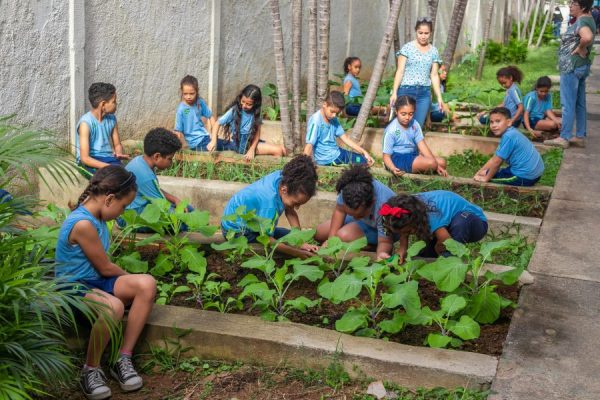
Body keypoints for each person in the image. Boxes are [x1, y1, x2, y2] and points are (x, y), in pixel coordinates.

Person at [55, 165, 156, 400]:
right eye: (123, 207)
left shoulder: (97, 216)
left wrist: (134, 283)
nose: (123, 212)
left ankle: (123, 359)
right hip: (72, 288)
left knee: (147, 284)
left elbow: (103, 271)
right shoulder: (83, 224)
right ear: (110, 199)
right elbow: (106, 267)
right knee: (114, 306)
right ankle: (91, 370)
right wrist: (127, 278)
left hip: (96, 283)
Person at [221, 154, 319, 258]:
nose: (297, 207)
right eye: (295, 203)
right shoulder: (269, 204)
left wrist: (300, 242)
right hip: (235, 230)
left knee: (287, 234)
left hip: (252, 223)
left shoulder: (284, 178)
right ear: (284, 190)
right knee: (277, 240)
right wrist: (295, 252)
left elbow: (290, 211)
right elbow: (267, 240)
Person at [314, 165, 396, 261]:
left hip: (385, 230)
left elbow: (385, 241)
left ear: (372, 203)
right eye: (352, 214)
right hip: (366, 221)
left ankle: (372, 247)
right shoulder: (349, 188)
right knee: (319, 233)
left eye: (359, 215)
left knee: (342, 236)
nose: (356, 218)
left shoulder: (384, 207)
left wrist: (382, 254)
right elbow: (339, 211)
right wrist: (331, 240)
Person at [379, 191, 487, 261]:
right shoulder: (408, 209)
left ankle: (451, 261)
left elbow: (446, 239)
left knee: (460, 224)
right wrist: (402, 249)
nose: (408, 233)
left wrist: (439, 245)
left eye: (409, 230)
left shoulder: (430, 214)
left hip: (475, 223)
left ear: (415, 220)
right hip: (446, 223)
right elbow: (404, 231)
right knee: (426, 255)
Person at [545, 0, 596, 149]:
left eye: (574, 3)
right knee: (579, 103)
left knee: (567, 104)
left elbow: (586, 37)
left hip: (571, 67)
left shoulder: (582, 21)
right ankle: (580, 136)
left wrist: (581, 47)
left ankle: (564, 137)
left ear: (583, 6)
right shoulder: (588, 18)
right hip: (580, 66)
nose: (570, 6)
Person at [122, 127, 191, 225]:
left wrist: (174, 199)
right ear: (157, 156)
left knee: (186, 208)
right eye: (170, 159)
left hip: (138, 209)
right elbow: (163, 207)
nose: (171, 163)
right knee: (180, 222)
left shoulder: (141, 161)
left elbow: (155, 189)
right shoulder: (146, 176)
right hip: (129, 217)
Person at [390, 16, 445, 128]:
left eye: (426, 33)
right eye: (420, 33)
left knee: (416, 127)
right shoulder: (407, 48)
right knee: (402, 126)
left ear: (430, 33)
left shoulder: (433, 51)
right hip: (406, 91)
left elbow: (434, 75)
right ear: (416, 31)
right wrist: (394, 92)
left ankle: (413, 146)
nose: (423, 36)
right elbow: (400, 71)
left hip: (424, 93)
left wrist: (439, 97)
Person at [474, 107, 544, 187]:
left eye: (498, 121)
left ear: (509, 122)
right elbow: (494, 159)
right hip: (534, 173)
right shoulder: (512, 132)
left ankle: (487, 175)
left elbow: (497, 162)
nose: (494, 125)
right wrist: (480, 171)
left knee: (486, 176)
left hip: (524, 177)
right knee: (485, 172)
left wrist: (486, 178)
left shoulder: (508, 136)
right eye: (491, 122)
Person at [215, 84, 286, 160]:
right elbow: (217, 123)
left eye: (249, 104)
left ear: (255, 103)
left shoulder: (256, 112)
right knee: (278, 151)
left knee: (283, 148)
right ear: (240, 98)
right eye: (243, 101)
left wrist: (252, 149)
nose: (244, 106)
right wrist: (213, 141)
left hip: (251, 143)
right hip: (242, 147)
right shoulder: (234, 111)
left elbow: (257, 134)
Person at [303, 91, 374, 166]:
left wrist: (364, 152)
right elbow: (309, 144)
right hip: (329, 160)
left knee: (362, 159)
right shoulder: (315, 121)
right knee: (362, 161)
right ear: (324, 104)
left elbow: (346, 139)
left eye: (337, 113)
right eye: (332, 112)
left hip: (338, 153)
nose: (334, 115)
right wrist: (303, 166)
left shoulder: (333, 119)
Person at [382, 95, 447, 176]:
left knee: (442, 163)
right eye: (403, 114)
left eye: (411, 114)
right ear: (396, 112)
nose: (407, 117)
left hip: (413, 154)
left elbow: (422, 146)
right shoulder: (391, 130)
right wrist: (392, 168)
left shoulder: (415, 124)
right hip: (398, 158)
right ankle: (425, 167)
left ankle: (426, 167)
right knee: (432, 163)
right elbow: (386, 156)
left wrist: (437, 166)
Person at [76, 82, 130, 175]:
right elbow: (85, 158)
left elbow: (117, 144)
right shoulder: (85, 123)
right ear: (103, 104)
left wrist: (118, 154)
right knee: (112, 178)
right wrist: (110, 167)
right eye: (114, 101)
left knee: (130, 175)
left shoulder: (112, 119)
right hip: (90, 162)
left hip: (108, 159)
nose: (116, 104)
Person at [174, 75, 230, 152]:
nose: (188, 97)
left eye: (192, 93)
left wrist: (213, 135)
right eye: (185, 94)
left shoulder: (199, 102)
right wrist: (177, 149)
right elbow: (178, 131)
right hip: (196, 143)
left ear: (197, 91)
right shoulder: (181, 110)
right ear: (181, 92)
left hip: (205, 137)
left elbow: (210, 116)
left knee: (226, 144)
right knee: (227, 146)